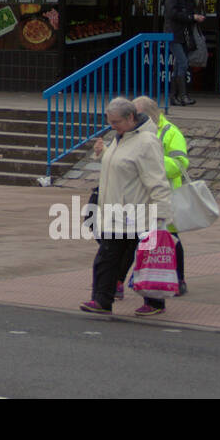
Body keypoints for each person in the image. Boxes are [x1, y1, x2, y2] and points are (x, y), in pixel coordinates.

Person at [80, 96, 176, 316]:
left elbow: (157, 180)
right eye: (110, 122)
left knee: (146, 260)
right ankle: (102, 300)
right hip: (116, 213)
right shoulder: (121, 137)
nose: (112, 127)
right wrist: (102, 154)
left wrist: (162, 214)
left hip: (139, 213)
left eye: (116, 122)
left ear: (131, 117)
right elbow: (120, 165)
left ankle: (154, 302)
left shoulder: (147, 142)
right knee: (107, 258)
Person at [163, 0, 205, 106]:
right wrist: (191, 17)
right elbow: (171, 13)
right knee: (183, 62)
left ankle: (173, 97)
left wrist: (195, 16)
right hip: (173, 33)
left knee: (178, 65)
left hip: (185, 34)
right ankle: (183, 95)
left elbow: (190, 10)